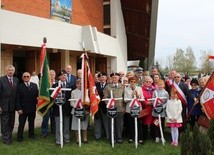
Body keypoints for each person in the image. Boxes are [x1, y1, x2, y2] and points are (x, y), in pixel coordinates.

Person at [0, 65, 21, 145]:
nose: (10, 71)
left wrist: (18, 107)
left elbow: (17, 94)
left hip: (12, 106)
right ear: (6, 71)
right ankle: (6, 140)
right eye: (9, 70)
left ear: (14, 71)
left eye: (12, 70)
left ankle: (9, 136)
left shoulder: (16, 80)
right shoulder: (1, 80)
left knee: (11, 123)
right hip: (4, 106)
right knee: (5, 123)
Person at [16, 72, 39, 142]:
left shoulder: (34, 85)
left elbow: (37, 96)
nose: (26, 78)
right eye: (25, 76)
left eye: (28, 76)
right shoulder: (19, 86)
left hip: (32, 108)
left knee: (31, 122)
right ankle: (19, 137)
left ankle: (31, 135)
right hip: (23, 109)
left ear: (30, 77)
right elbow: (17, 98)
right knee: (22, 123)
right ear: (22, 78)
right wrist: (19, 108)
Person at [103, 72, 125, 143]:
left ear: (119, 78)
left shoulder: (122, 86)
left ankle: (119, 137)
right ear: (111, 78)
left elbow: (124, 97)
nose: (114, 78)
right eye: (113, 77)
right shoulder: (108, 87)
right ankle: (112, 138)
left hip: (120, 108)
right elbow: (105, 97)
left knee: (119, 124)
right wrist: (109, 104)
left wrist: (124, 106)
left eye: (116, 77)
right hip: (111, 108)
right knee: (111, 123)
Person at [52, 70, 72, 145]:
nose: (63, 77)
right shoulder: (55, 86)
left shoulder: (70, 85)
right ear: (59, 77)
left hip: (67, 108)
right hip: (58, 108)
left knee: (66, 124)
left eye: (65, 75)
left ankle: (66, 138)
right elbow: (52, 98)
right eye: (62, 75)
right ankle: (58, 139)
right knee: (58, 124)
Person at [124, 77, 144, 144]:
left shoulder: (139, 88)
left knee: (139, 124)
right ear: (129, 82)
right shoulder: (126, 89)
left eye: (134, 82)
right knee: (130, 124)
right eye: (131, 81)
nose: (133, 83)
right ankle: (131, 138)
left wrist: (138, 96)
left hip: (137, 108)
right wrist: (131, 96)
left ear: (136, 82)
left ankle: (140, 138)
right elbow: (125, 100)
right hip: (129, 109)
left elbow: (142, 98)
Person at [70, 79, 89, 143]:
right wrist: (77, 106)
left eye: (81, 83)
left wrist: (83, 106)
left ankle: (85, 139)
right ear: (76, 84)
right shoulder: (73, 92)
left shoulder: (86, 91)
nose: (80, 85)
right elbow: (71, 102)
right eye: (78, 84)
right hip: (75, 110)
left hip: (84, 110)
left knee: (84, 125)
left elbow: (88, 101)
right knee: (76, 125)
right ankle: (78, 139)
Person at [41, 69, 57, 137]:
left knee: (54, 118)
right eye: (50, 74)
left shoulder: (57, 83)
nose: (52, 76)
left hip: (55, 103)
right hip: (47, 103)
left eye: (53, 74)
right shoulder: (46, 83)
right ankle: (44, 132)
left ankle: (53, 130)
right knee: (46, 118)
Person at [94, 72, 109, 140]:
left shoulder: (109, 85)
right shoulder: (95, 85)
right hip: (97, 106)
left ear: (106, 78)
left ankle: (107, 135)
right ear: (99, 78)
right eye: (100, 77)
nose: (102, 78)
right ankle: (98, 136)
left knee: (106, 121)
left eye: (103, 77)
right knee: (97, 121)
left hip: (106, 106)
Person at [141, 76, 156, 140]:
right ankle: (145, 136)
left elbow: (156, 97)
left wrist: (153, 102)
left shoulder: (154, 89)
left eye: (150, 82)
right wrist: (146, 102)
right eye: (147, 81)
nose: (148, 83)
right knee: (145, 122)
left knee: (154, 121)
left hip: (153, 107)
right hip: (145, 107)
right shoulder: (141, 89)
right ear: (144, 82)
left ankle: (153, 135)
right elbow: (141, 98)